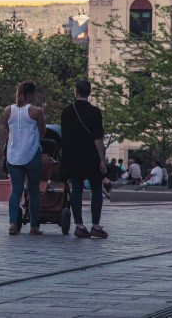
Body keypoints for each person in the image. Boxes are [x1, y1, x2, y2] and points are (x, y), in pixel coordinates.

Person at [60, 78, 108, 239]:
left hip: (73, 156)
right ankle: (96, 225)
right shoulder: (95, 112)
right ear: (90, 92)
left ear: (75, 91)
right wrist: (102, 159)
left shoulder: (66, 111)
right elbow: (98, 138)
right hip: (91, 156)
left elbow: (65, 138)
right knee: (96, 189)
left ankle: (79, 225)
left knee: (76, 189)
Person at [3, 80, 46, 236]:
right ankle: (34, 226)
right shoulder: (36, 112)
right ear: (30, 94)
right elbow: (42, 133)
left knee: (16, 190)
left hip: (13, 155)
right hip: (32, 154)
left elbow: (9, 131)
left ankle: (13, 224)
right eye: (34, 93)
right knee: (34, 191)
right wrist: (44, 115)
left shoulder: (8, 110)